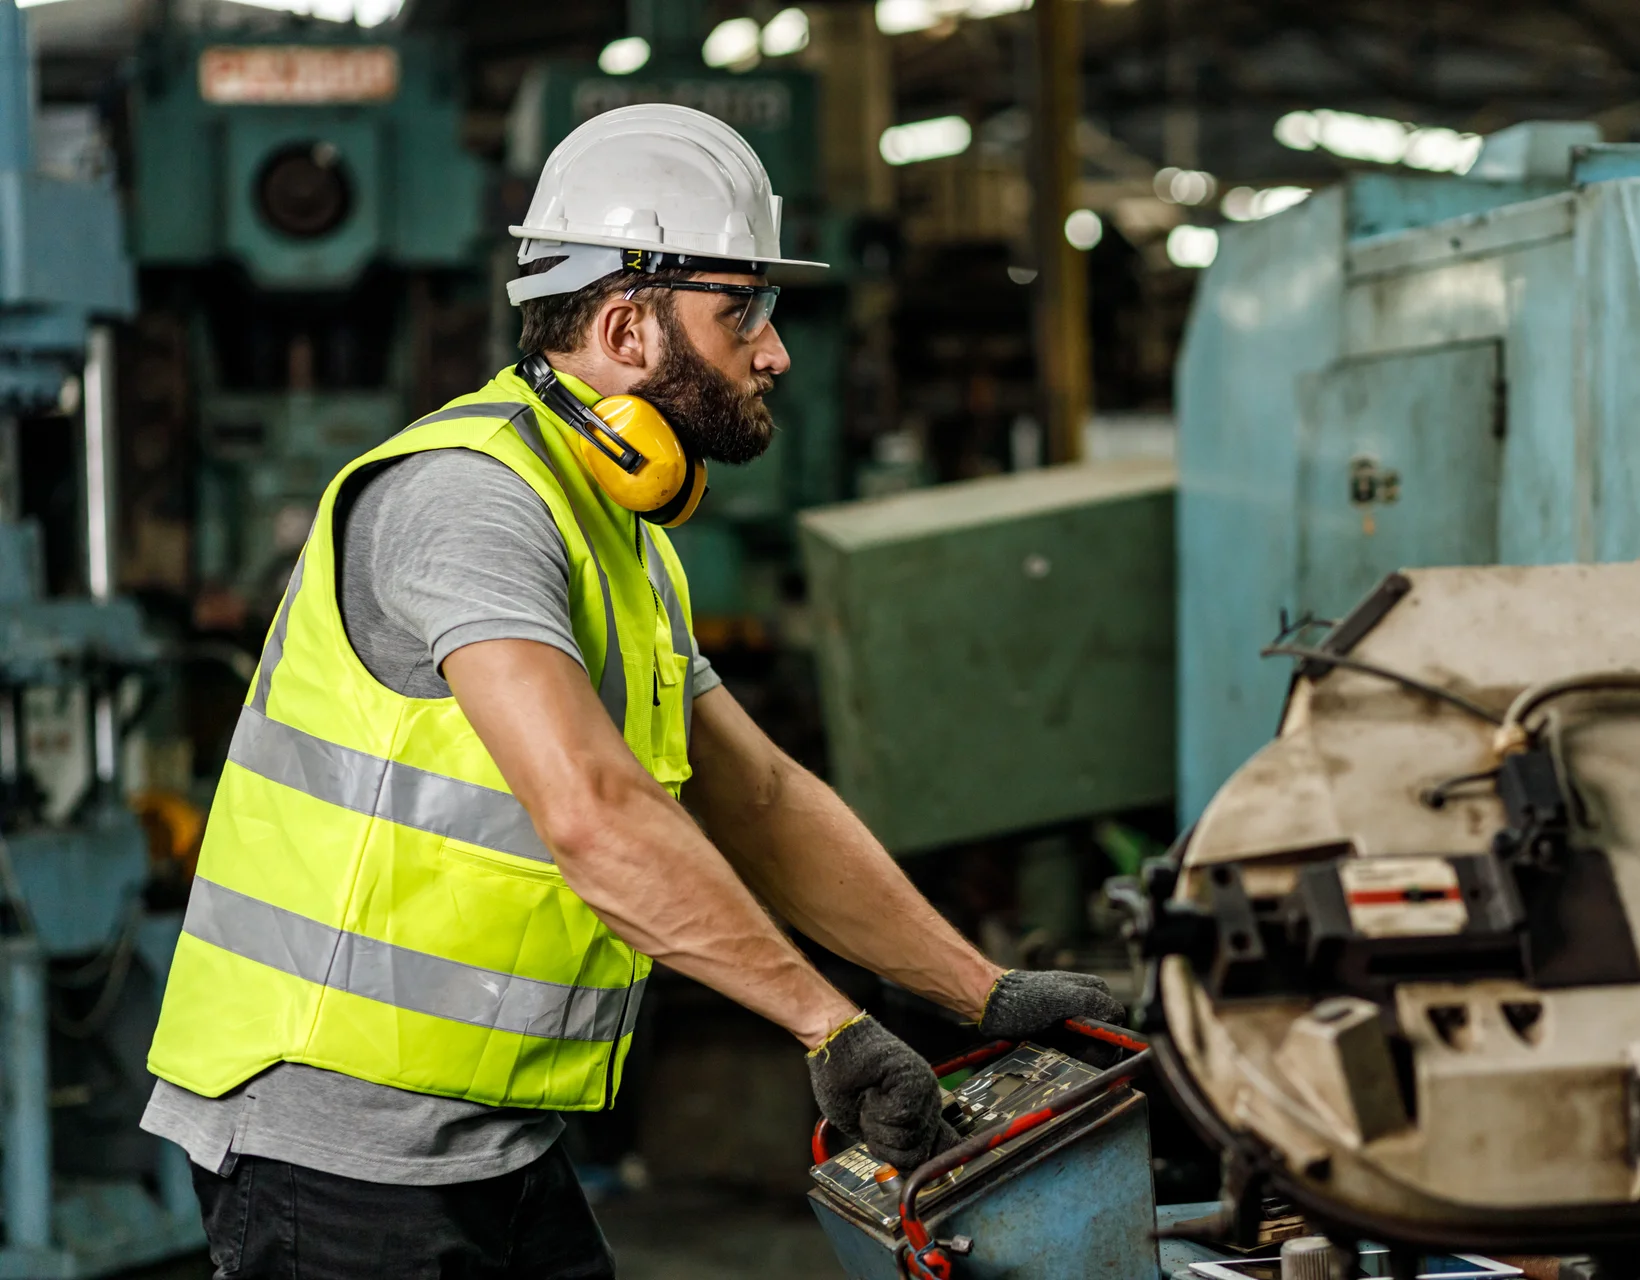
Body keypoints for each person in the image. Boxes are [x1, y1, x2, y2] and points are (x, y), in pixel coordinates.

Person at [139, 104, 1123, 1277]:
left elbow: (755, 794)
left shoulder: (620, 530)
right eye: (741, 310)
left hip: (488, 1145)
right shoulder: (468, 499)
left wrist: (979, 989)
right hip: (335, 1150)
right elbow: (595, 812)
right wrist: (831, 1024)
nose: (775, 351)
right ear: (624, 324)